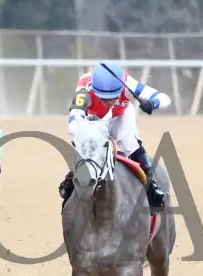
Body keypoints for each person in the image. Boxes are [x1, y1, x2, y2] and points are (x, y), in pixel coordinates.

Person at [58, 60, 172, 211]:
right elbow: (73, 124)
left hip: (120, 116)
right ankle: (73, 181)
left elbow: (164, 98)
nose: (108, 102)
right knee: (88, 146)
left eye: (113, 98)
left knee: (130, 143)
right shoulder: (84, 87)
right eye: (103, 99)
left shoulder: (127, 83)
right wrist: (89, 133)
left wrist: (152, 104)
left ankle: (152, 188)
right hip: (93, 120)